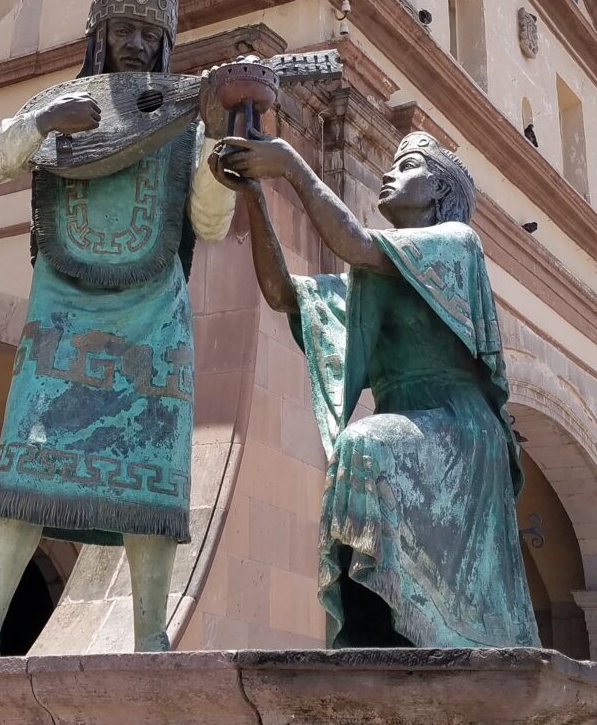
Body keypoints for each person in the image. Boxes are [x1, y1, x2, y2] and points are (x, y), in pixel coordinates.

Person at [0, 0, 234, 656]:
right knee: (27, 468)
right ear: (99, 31)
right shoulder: (58, 103)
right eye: (124, 28)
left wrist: (217, 156)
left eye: (152, 32)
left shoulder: (179, 113)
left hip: (155, 314)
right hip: (63, 313)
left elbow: (208, 225)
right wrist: (36, 126)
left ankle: (152, 636)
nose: (138, 43)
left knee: (151, 476)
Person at [210, 129, 540, 648]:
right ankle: (378, 630)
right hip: (412, 424)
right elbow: (280, 293)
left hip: (460, 427)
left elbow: (354, 244)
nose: (389, 174)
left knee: (363, 444)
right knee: (363, 447)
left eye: (407, 166)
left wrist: (291, 166)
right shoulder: (369, 279)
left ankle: (377, 625)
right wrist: (253, 193)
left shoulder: (455, 243)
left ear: (438, 190)